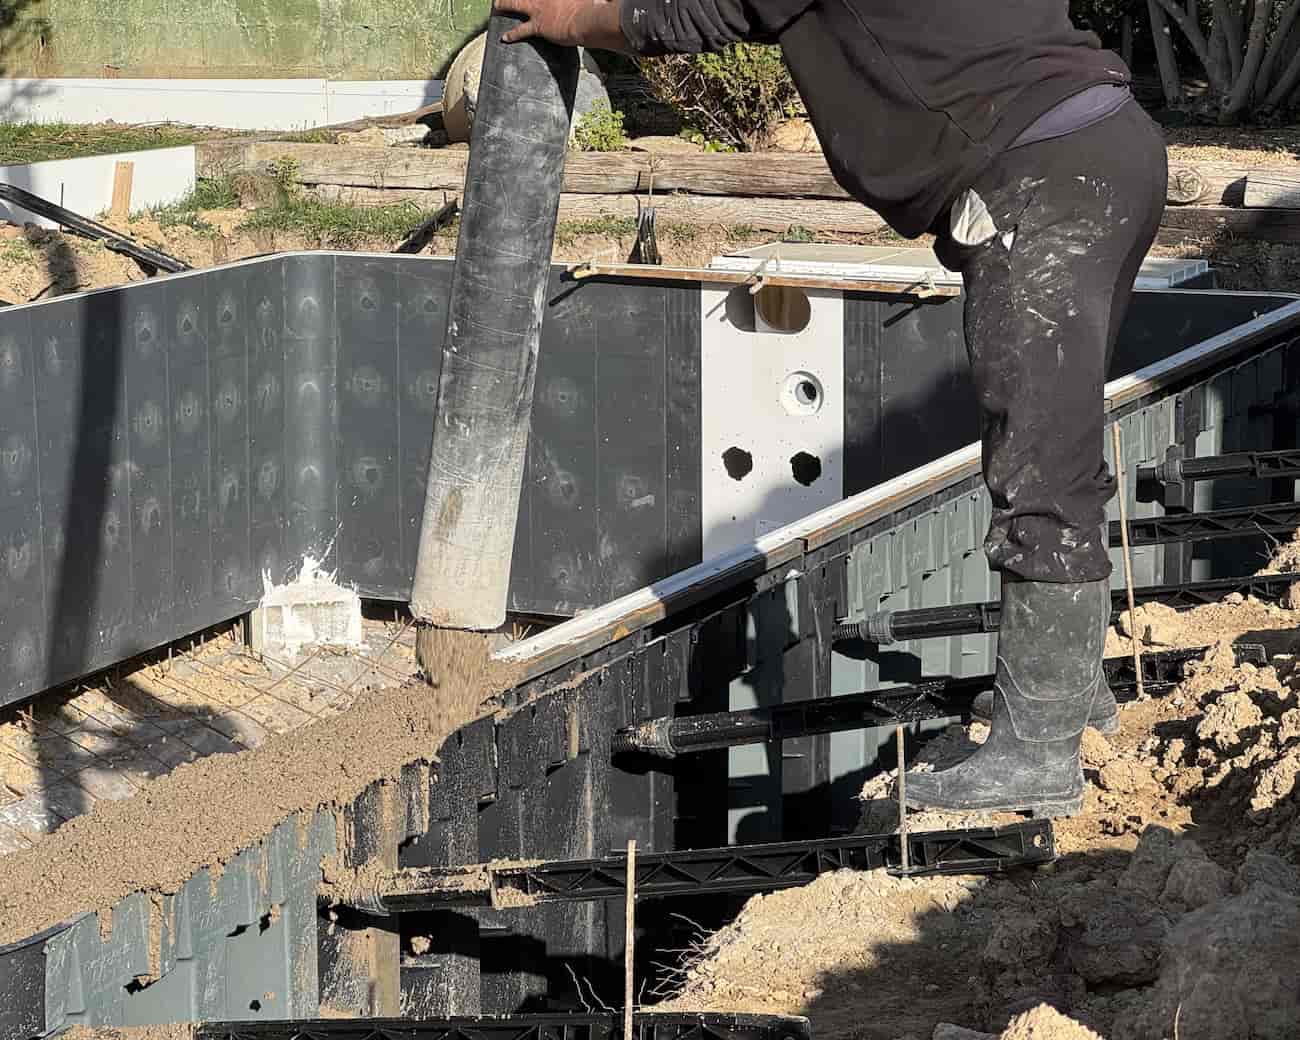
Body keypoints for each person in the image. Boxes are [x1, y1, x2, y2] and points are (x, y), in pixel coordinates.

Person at [494, 0, 1168, 817]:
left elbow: (692, 13)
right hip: (1103, 146)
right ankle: (1065, 697)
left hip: (1047, 173)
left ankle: (1037, 754)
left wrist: (574, 18)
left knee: (1036, 455)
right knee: (1057, 436)